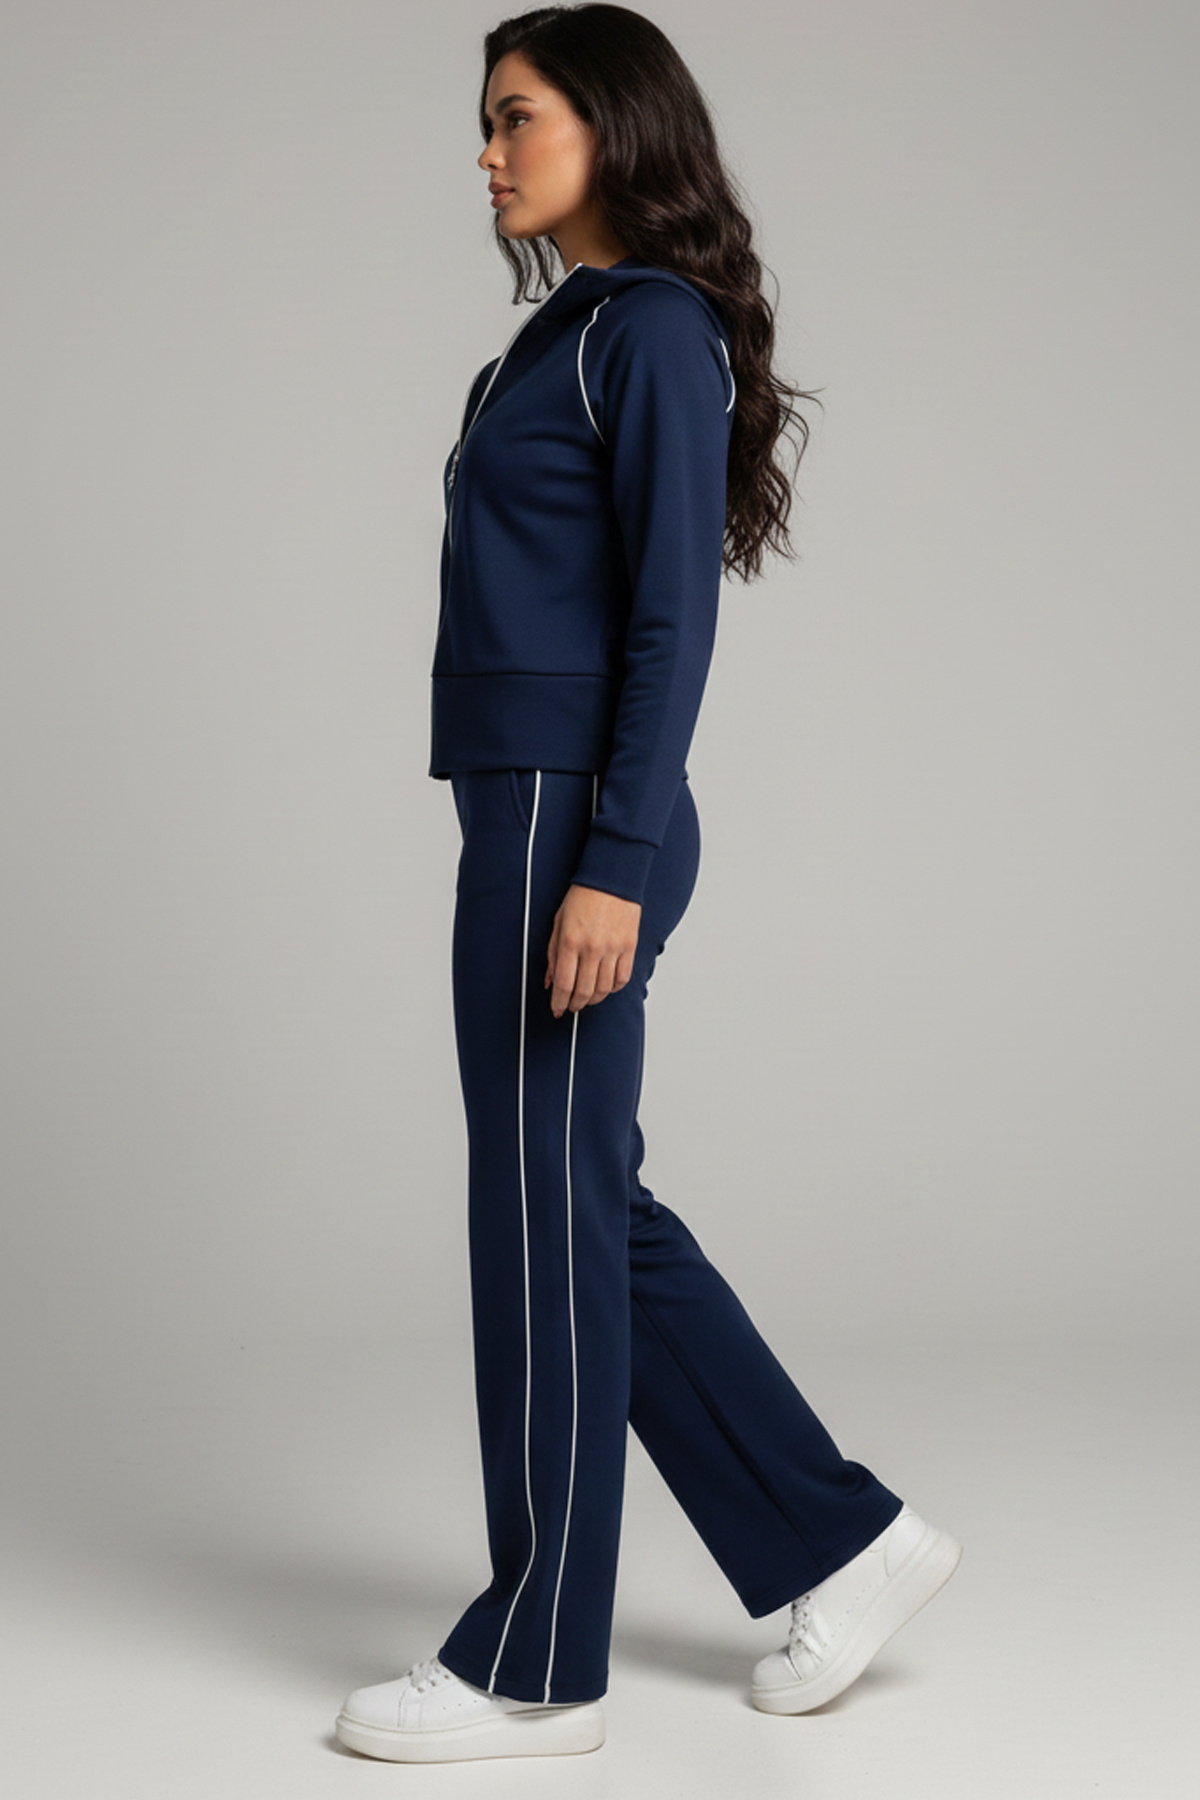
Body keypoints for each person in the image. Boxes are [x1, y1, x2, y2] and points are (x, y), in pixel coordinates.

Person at [335, 3, 960, 1765]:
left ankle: (540, 1665)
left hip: (574, 818)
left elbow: (671, 621)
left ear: (612, 125)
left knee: (540, 1211)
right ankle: (843, 1544)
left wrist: (609, 864)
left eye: (516, 116)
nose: (486, 153)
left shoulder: (655, 333)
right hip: (526, 806)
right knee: (576, 1200)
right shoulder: (563, 338)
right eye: (483, 122)